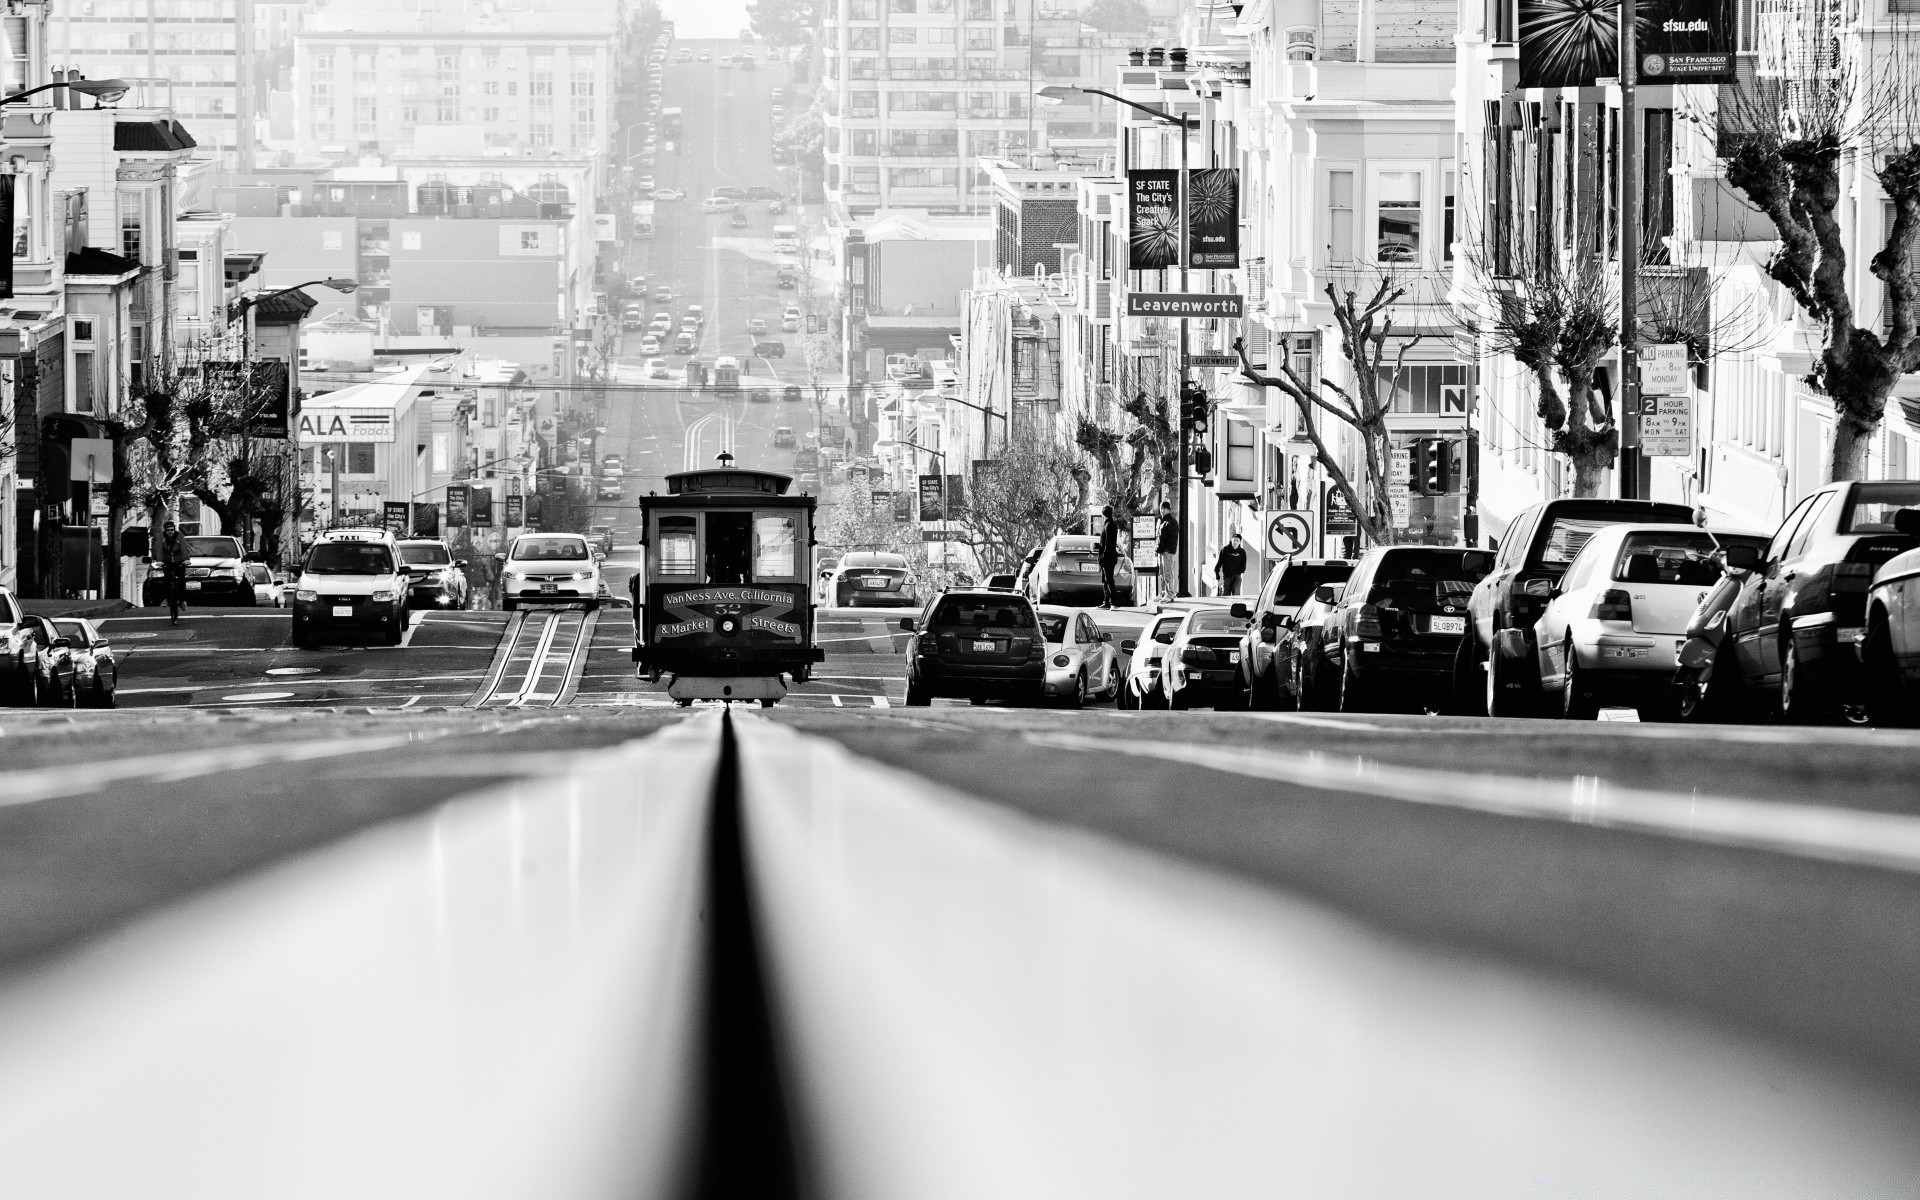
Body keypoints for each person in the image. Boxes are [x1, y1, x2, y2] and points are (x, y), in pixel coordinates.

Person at [156, 520, 189, 625]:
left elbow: (184, 548)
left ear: (174, 529)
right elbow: (158, 549)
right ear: (165, 531)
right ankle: (166, 598)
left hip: (179, 561)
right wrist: (159, 561)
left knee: (181, 580)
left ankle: (183, 600)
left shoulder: (180, 536)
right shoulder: (161, 537)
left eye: (172, 530)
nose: (170, 532)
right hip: (167, 561)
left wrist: (186, 559)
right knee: (166, 579)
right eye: (168, 530)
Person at [1097, 504, 1122, 608]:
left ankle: (1113, 603)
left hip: (1108, 557)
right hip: (1108, 557)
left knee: (1109, 580)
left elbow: (1108, 543)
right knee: (1106, 580)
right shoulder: (1110, 524)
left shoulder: (1109, 525)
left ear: (1103, 514)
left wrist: (1103, 556)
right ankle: (1107, 601)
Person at [1155, 501, 1179, 597]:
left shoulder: (1172, 522)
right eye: (1161, 508)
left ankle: (1170, 594)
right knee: (1162, 574)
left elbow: (1173, 539)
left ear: (1169, 510)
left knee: (1168, 573)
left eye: (1165, 509)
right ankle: (1163, 593)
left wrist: (1168, 550)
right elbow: (1158, 537)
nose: (1162, 510)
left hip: (1167, 552)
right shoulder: (1160, 521)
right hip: (1160, 552)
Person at [1214, 531, 1248, 597]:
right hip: (1227, 576)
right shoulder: (1225, 550)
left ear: (1240, 542)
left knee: (1236, 593)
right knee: (1226, 594)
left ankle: (1236, 606)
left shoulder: (1242, 552)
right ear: (1231, 540)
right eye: (1234, 540)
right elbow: (1219, 562)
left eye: (1237, 541)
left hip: (1237, 576)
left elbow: (1243, 564)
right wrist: (1217, 573)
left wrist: (1240, 571)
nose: (1235, 542)